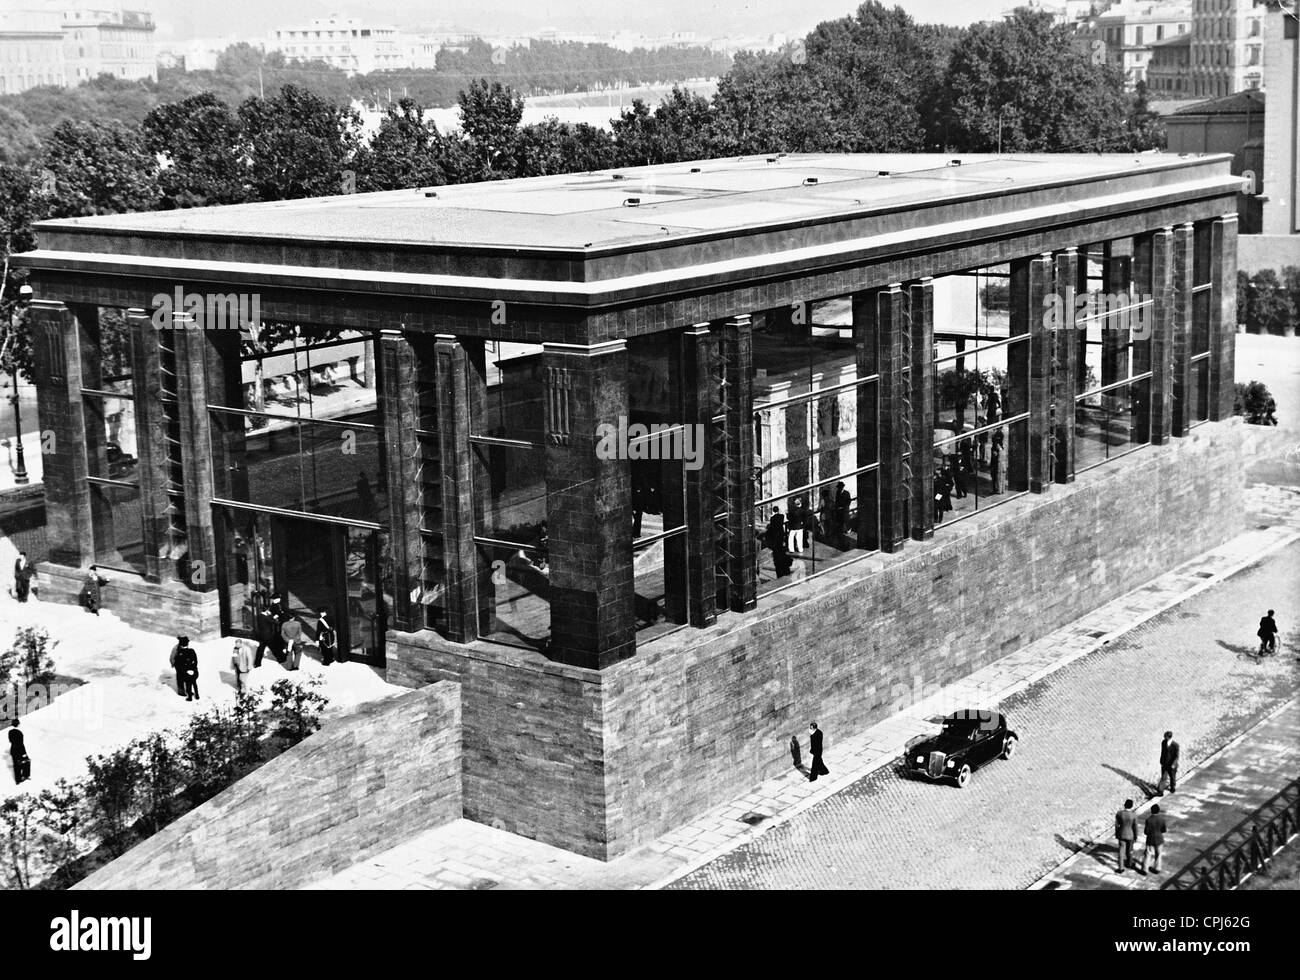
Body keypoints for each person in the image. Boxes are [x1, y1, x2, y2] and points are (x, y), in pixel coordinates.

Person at [1141, 803, 1169, 875]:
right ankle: (1157, 868)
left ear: (1151, 811)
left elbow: (1146, 832)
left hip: (1150, 838)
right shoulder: (1162, 819)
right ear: (1158, 811)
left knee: (1148, 854)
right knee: (1158, 854)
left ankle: (1145, 869)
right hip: (1159, 838)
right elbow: (1164, 830)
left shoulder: (1148, 820)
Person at [253, 593, 277, 668]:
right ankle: (281, 658)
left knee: (260, 649)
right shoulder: (267, 617)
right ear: (267, 610)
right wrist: (272, 616)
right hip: (268, 635)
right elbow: (274, 622)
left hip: (262, 635)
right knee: (274, 647)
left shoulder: (259, 616)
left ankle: (257, 663)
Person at [1115, 798, 1138, 872]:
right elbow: (1135, 827)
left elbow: (1116, 825)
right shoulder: (1133, 815)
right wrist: (1136, 836)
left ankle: (1121, 868)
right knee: (1130, 850)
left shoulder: (1119, 813)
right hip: (1130, 834)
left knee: (1121, 851)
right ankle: (1129, 863)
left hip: (1121, 834)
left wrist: (1117, 833)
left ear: (1124, 805)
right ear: (1131, 806)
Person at [8, 719, 29, 784]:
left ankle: (18, 779)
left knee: (16, 765)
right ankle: (25, 775)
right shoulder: (20, 733)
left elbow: (11, 741)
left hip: (13, 750)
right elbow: (21, 743)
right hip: (19, 750)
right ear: (18, 724)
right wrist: (24, 753)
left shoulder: (10, 732)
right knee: (26, 761)